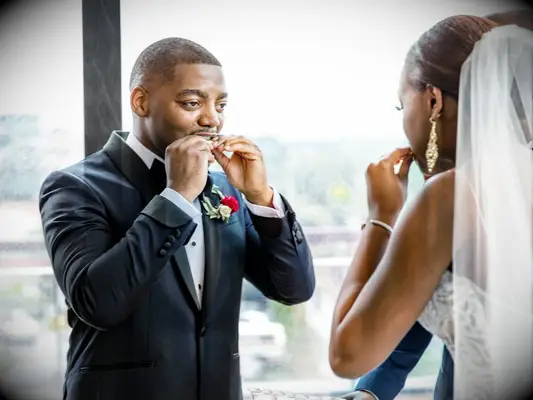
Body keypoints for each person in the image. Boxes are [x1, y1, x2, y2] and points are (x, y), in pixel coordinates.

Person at [39, 38, 315, 400]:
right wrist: (177, 197)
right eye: (192, 103)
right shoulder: (75, 185)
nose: (212, 119)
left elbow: (293, 289)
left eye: (220, 105)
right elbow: (98, 303)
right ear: (141, 102)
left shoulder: (223, 188)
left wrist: (261, 199)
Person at [329, 13, 533, 400]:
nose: (405, 121)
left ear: (433, 100)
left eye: (400, 105)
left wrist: (381, 217)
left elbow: (347, 354)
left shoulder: (452, 194)